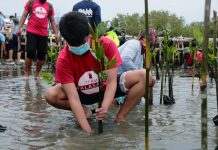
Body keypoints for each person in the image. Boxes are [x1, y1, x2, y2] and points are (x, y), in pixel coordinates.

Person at [44, 11, 153, 133]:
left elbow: (112, 82)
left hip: (104, 87)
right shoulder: (64, 59)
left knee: (145, 76)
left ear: (89, 34)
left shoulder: (106, 45)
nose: (79, 47)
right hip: (80, 93)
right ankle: (85, 111)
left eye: (82, 42)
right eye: (74, 45)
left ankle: (120, 117)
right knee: (50, 94)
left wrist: (104, 108)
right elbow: (73, 98)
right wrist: (88, 133)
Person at [17, 0, 59, 79]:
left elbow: (52, 20)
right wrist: (19, 28)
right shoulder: (31, 2)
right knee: (30, 52)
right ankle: (27, 74)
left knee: (41, 56)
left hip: (43, 33)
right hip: (31, 31)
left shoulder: (49, 6)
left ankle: (37, 73)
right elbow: (24, 15)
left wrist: (56, 33)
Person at [116, 29, 157, 105]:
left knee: (148, 78)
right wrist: (140, 74)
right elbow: (125, 59)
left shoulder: (141, 53)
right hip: (115, 79)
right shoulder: (135, 44)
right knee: (144, 76)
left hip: (122, 81)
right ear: (142, 39)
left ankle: (148, 102)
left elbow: (140, 72)